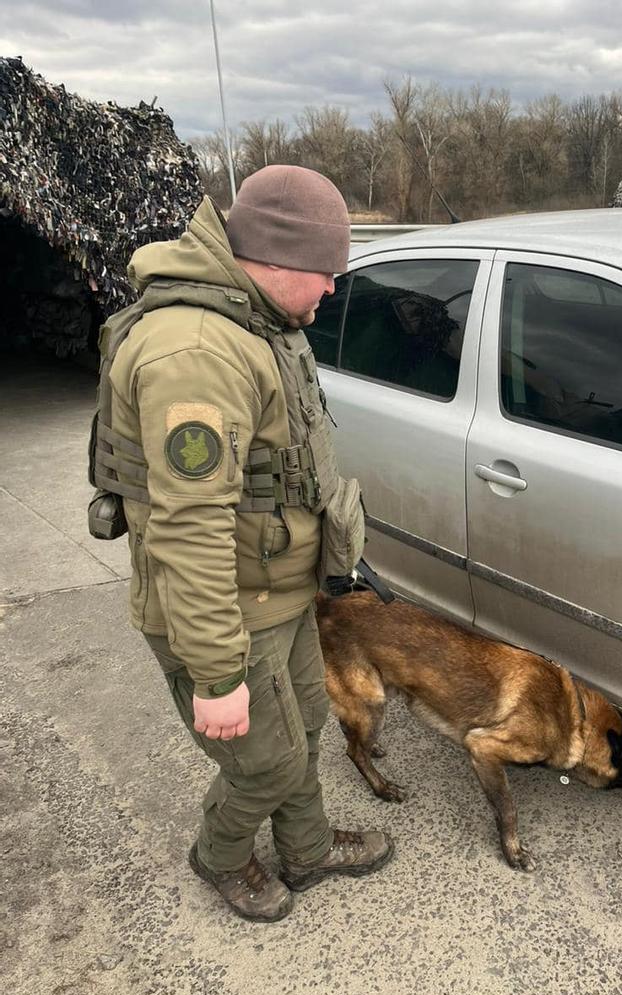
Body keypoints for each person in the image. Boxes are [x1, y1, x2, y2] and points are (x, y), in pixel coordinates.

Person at [95, 165, 393, 922]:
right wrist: (217, 674)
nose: (331, 291)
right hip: (226, 607)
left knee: (307, 726)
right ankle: (219, 854)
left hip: (278, 590)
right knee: (265, 762)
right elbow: (189, 528)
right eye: (326, 273)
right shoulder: (196, 351)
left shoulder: (258, 320)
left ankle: (308, 846)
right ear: (278, 260)